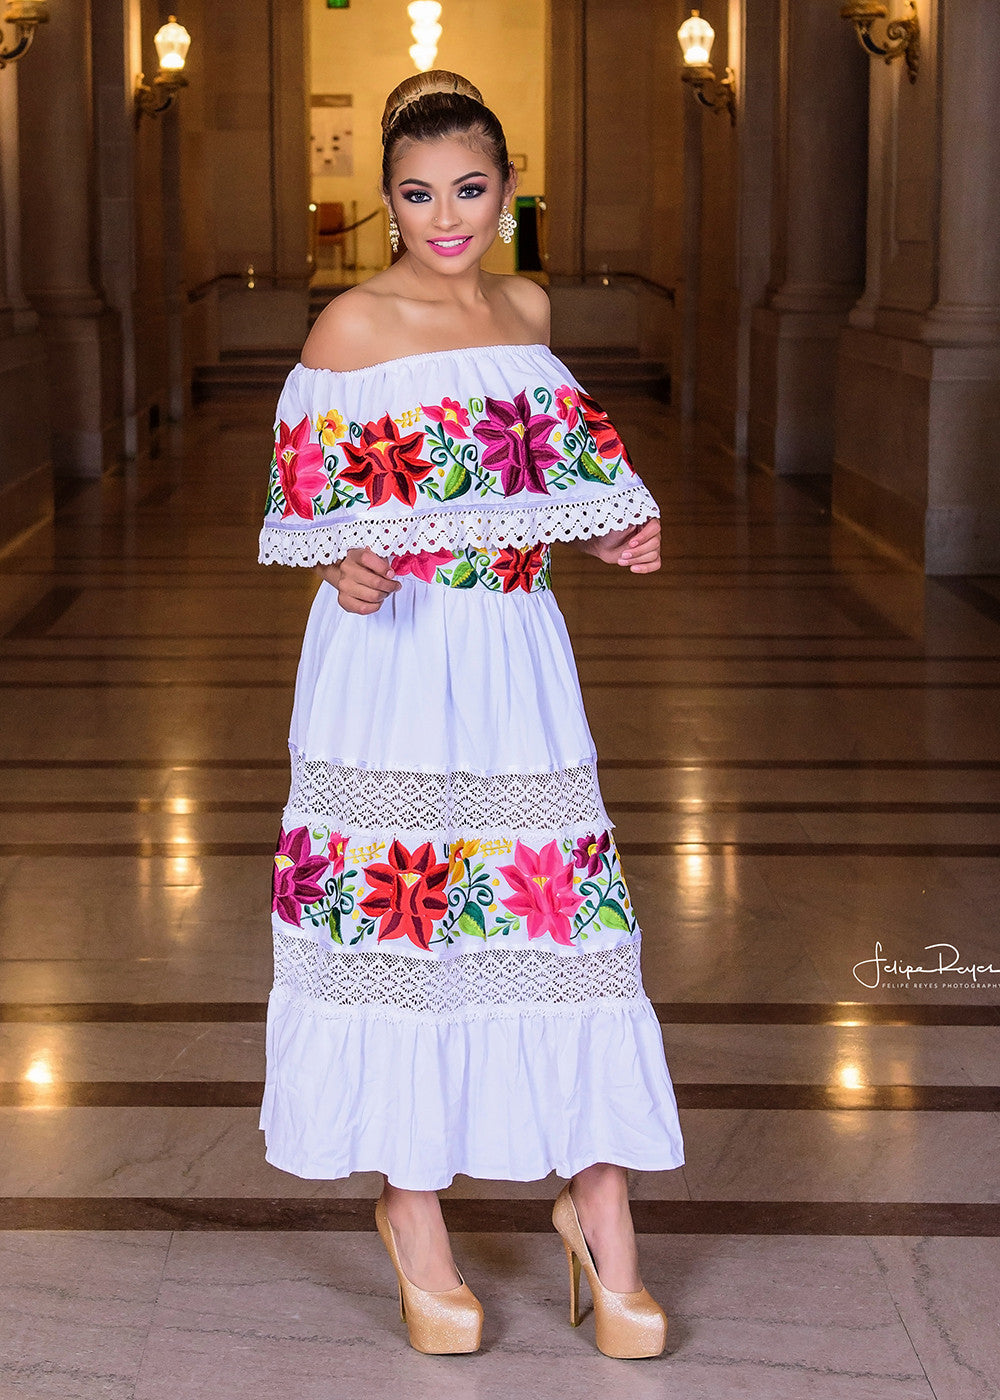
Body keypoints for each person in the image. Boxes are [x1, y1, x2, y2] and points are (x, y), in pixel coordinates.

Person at [259, 69, 684, 1360]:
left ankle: (598, 1210)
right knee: (411, 934)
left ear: (508, 191)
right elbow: (307, 502)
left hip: (511, 653)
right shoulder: (349, 330)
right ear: (388, 200)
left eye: (471, 190)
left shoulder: (525, 305)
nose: (446, 216)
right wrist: (343, 560)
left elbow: (551, 464)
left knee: (569, 927)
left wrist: (613, 527)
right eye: (417, 194)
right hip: (389, 660)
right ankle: (411, 1209)